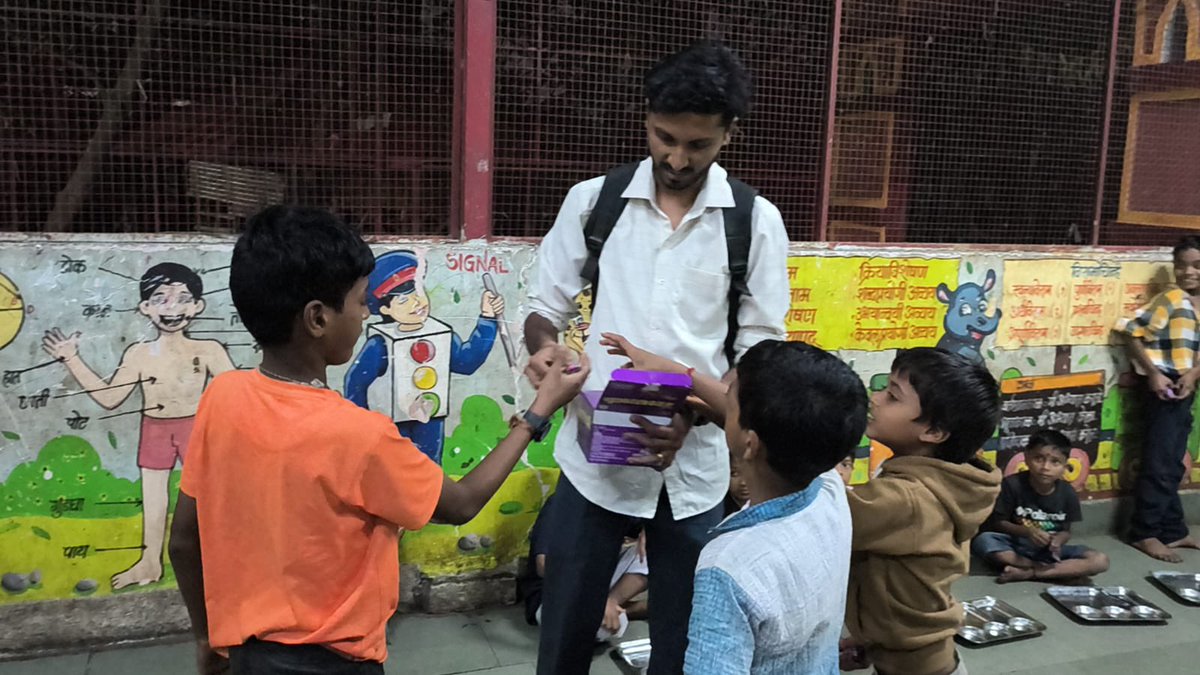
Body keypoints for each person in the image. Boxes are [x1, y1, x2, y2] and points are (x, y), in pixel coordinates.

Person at [167, 206, 588, 675]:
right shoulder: (359, 434)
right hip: (335, 661)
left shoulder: (222, 397)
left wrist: (206, 635)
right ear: (317, 319)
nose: (367, 314)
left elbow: (184, 541)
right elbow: (462, 503)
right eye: (362, 301)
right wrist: (536, 414)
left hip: (245, 652)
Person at [522, 40, 789, 674]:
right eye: (664, 137)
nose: (676, 157)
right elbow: (542, 302)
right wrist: (545, 349)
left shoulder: (754, 222)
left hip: (693, 470)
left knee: (688, 638)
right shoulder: (595, 201)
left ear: (730, 133)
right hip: (595, 456)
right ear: (645, 116)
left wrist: (694, 414)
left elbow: (759, 346)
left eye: (698, 145)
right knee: (563, 634)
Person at [42, 263, 234, 590]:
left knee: (212, 498)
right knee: (154, 499)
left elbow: (235, 394)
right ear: (145, 307)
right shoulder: (139, 353)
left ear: (197, 306)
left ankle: (224, 562)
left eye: (183, 299)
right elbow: (110, 397)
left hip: (198, 428)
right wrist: (71, 359)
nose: (172, 308)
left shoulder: (209, 350)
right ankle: (149, 563)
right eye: (160, 299)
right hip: (155, 427)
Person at [683, 340, 866, 674]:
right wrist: (684, 376)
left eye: (730, 397)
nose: (723, 400)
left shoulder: (728, 565)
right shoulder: (830, 487)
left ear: (750, 443)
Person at [841, 348, 1002, 675]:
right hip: (919, 659)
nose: (876, 398)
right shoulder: (947, 479)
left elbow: (827, 516)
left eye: (893, 396)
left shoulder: (908, 498)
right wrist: (873, 637)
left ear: (933, 432)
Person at [1116, 235, 1200, 563]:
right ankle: (1144, 532)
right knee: (1159, 462)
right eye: (1180, 266)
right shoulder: (1170, 300)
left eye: (1196, 266)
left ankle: (1173, 530)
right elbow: (1129, 332)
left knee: (1172, 461)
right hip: (1162, 388)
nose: (1187, 272)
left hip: (1185, 386)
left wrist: (1192, 376)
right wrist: (1153, 373)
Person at [972, 430, 1110, 583]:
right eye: (1038, 458)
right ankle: (1054, 571)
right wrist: (1027, 532)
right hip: (1015, 546)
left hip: (1048, 552)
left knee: (1099, 560)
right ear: (1026, 457)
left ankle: (1029, 573)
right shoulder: (1012, 485)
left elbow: (1066, 531)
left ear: (1065, 465)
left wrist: (1058, 541)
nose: (1045, 467)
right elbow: (999, 523)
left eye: (1055, 462)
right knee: (983, 541)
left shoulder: (1067, 492)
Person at [520, 494, 650, 641]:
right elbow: (545, 566)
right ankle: (628, 610)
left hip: (600, 579)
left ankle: (612, 604)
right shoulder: (564, 501)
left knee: (656, 547)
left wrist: (648, 531)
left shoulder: (622, 502)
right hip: (556, 591)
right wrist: (596, 599)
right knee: (588, 629)